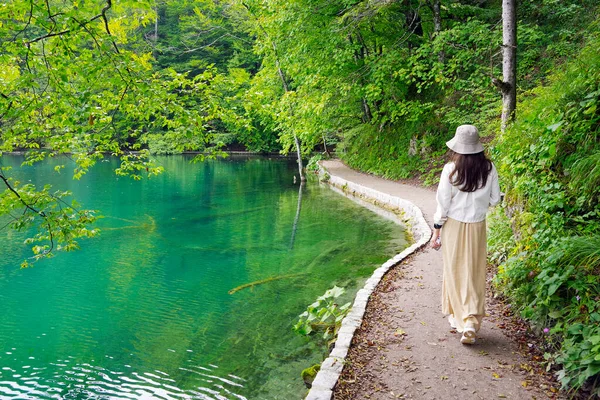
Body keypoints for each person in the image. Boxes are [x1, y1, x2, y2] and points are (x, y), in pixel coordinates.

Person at [430, 124, 501, 345]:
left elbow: (443, 203)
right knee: (475, 270)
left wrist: (436, 229)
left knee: (454, 270)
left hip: (453, 226)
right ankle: (470, 319)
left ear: (458, 147)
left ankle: (461, 319)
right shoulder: (489, 168)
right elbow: (495, 200)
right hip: (477, 225)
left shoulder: (450, 169)